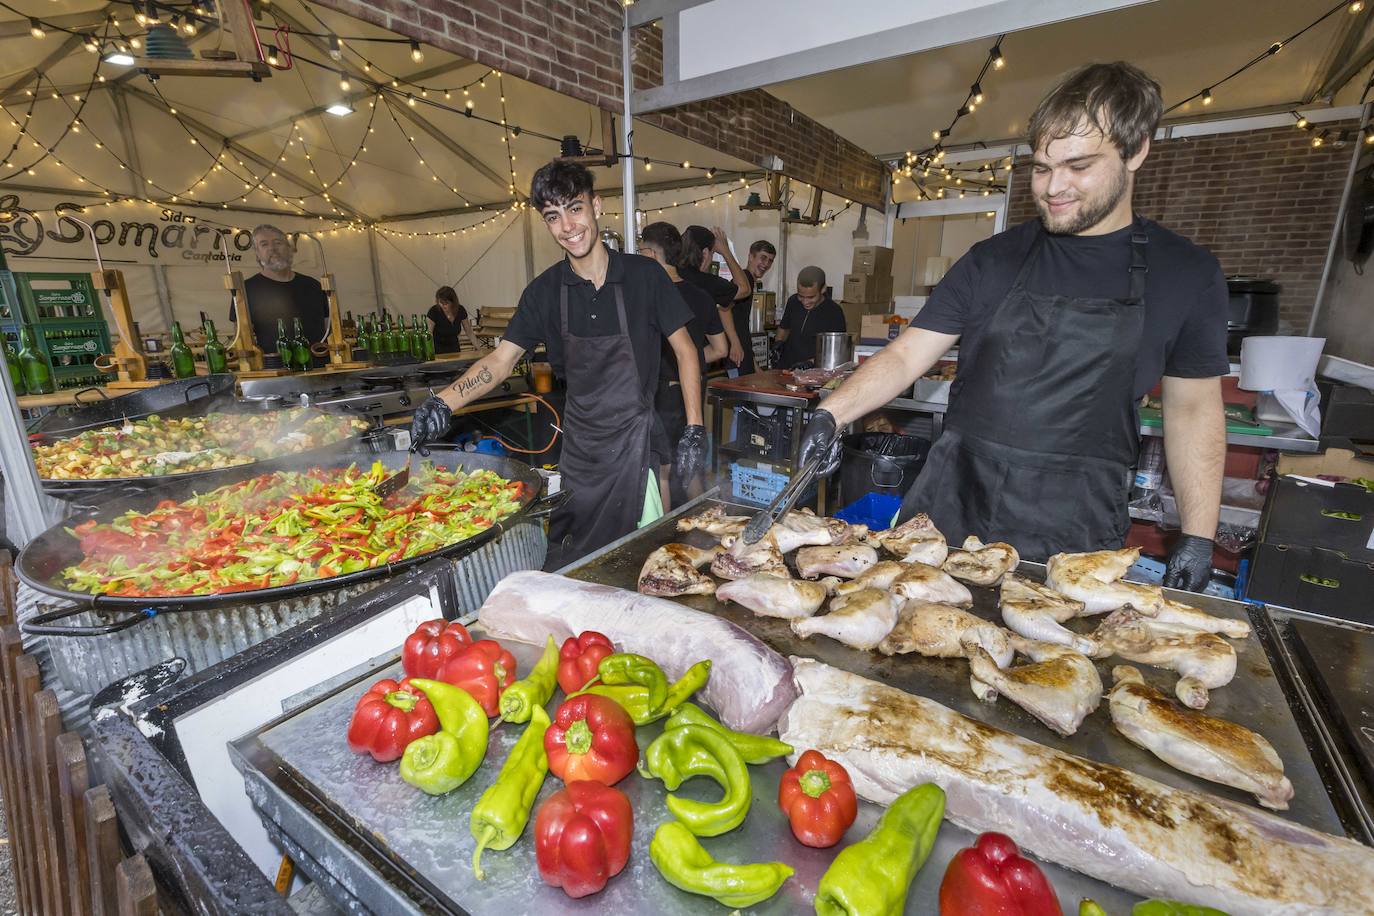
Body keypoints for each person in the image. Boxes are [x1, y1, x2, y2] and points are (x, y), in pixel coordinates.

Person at [796, 62, 1227, 591]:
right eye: (1042, 167)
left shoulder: (1186, 273)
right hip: (954, 501)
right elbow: (907, 356)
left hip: (1076, 520)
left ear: (1137, 151)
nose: (1053, 187)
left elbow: (1194, 407)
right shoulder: (994, 259)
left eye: (1079, 166)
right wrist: (831, 413)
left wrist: (1199, 535)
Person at [409, 161, 707, 570]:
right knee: (576, 563)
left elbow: (686, 349)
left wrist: (694, 427)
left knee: (643, 561)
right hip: (581, 453)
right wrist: (443, 402)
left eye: (575, 209)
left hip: (636, 449)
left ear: (596, 205)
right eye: (553, 216)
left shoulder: (645, 275)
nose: (567, 226)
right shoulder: (544, 292)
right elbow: (500, 360)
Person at [639, 221, 728, 508]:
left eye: (641, 251)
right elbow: (720, 349)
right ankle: (703, 528)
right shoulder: (701, 296)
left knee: (662, 471)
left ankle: (666, 540)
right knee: (692, 468)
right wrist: (692, 362)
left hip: (662, 395)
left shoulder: (649, 296)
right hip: (692, 393)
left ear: (651, 255)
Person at [231, 224, 329, 353]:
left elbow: (328, 326)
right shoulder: (245, 290)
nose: (272, 248)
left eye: (278, 243)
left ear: (289, 248)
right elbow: (242, 339)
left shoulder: (314, 285)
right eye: (264, 244)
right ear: (257, 253)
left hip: (320, 366)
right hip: (275, 368)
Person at [678, 226, 752, 368]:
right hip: (691, 362)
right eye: (712, 254)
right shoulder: (708, 283)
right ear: (705, 253)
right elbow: (744, 289)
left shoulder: (670, 274)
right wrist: (725, 251)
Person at [773, 266, 847, 369]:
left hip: (814, 373)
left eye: (811, 297)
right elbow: (784, 328)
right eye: (801, 296)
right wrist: (778, 343)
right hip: (786, 369)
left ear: (823, 289)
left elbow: (835, 351)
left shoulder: (834, 312)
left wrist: (810, 363)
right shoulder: (793, 301)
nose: (805, 302)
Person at [721, 237, 776, 375]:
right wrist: (734, 343)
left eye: (770, 260)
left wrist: (755, 366)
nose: (766, 264)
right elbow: (723, 308)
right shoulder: (745, 278)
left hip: (741, 353)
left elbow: (741, 324)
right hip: (735, 355)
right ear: (751, 256)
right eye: (763, 258)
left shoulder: (748, 280)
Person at [428, 286, 482, 353]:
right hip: (438, 350)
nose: (443, 305)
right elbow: (429, 334)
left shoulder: (460, 310)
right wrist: (431, 353)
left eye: (446, 303)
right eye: (440, 302)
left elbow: (469, 332)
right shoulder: (434, 311)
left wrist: (479, 350)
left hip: (455, 349)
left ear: (453, 302)